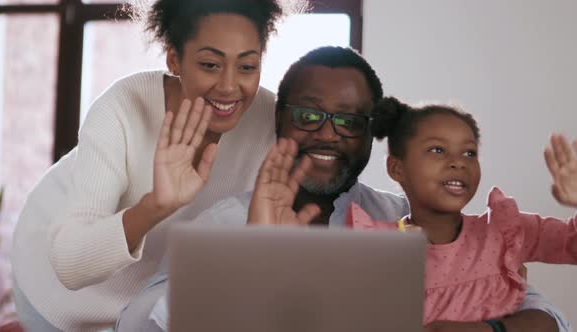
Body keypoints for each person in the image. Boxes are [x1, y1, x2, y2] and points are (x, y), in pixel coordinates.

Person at [118, 46, 571, 332]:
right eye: (310, 115)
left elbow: (549, 318)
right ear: (281, 122)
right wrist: (256, 260)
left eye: (350, 121)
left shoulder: (403, 222)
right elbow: (137, 323)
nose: (329, 134)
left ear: (372, 134)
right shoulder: (225, 224)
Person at [10, 0, 306, 330]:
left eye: (247, 67)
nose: (228, 86)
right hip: (54, 292)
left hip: (138, 308)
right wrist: (156, 205)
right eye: (210, 64)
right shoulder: (123, 108)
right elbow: (69, 264)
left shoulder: (269, 122)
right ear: (174, 58)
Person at [346, 98, 577, 327]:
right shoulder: (375, 249)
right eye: (438, 150)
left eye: (469, 153)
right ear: (396, 168)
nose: (458, 163)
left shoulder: (504, 231)